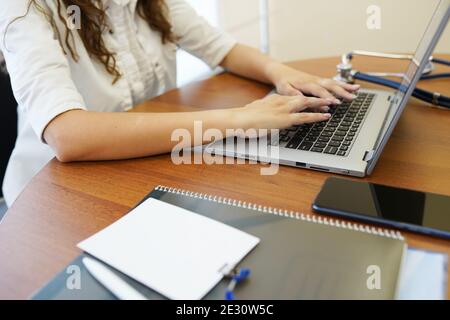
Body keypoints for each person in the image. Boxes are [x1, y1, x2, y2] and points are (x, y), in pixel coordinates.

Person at [0, 0, 359, 207]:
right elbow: (69, 135)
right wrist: (241, 118)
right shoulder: (24, 8)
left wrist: (279, 72)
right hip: (55, 196)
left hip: (144, 167)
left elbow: (222, 48)